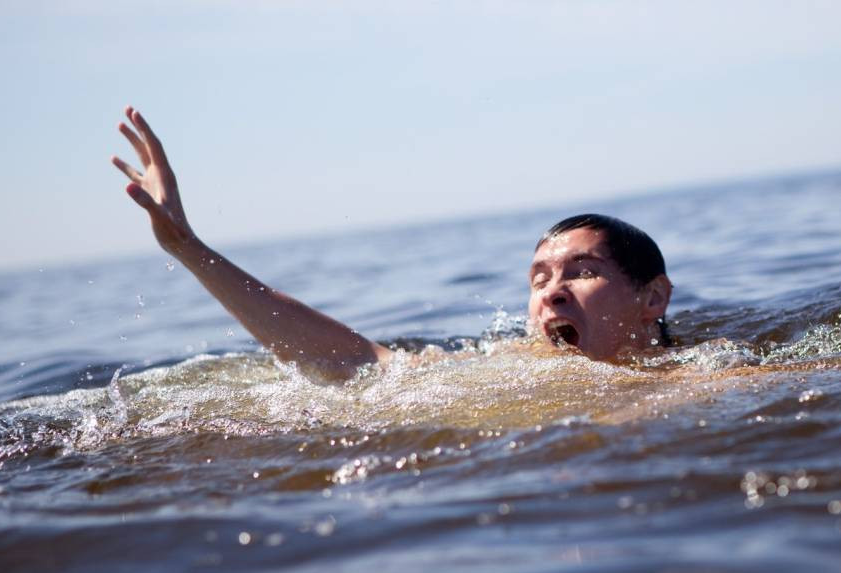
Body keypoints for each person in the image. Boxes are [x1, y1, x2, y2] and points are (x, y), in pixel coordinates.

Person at [112, 106, 673, 381]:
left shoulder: (704, 384)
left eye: (582, 271)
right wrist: (190, 248)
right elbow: (352, 359)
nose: (551, 293)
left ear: (652, 299)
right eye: (539, 278)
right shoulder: (497, 371)